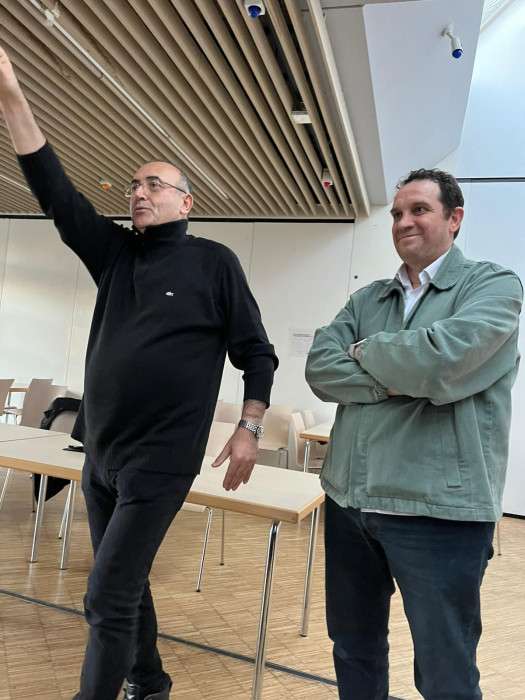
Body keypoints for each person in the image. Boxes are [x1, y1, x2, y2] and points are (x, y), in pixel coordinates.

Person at [0, 46, 278, 700]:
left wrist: (248, 428)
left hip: (161, 459)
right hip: (100, 454)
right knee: (124, 583)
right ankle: (150, 683)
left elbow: (257, 352)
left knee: (106, 593)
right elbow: (55, 192)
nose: (139, 192)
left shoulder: (214, 263)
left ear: (186, 201)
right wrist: (11, 96)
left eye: (154, 184)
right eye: (133, 184)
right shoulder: (115, 255)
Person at [306, 168, 522, 700]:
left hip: (438, 513)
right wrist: (397, 379)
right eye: (398, 213)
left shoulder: (493, 287)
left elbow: (441, 361)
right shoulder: (368, 299)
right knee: (353, 649)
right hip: (350, 501)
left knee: (445, 670)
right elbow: (320, 368)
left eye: (419, 210)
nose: (404, 221)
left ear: (455, 218)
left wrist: (366, 352)